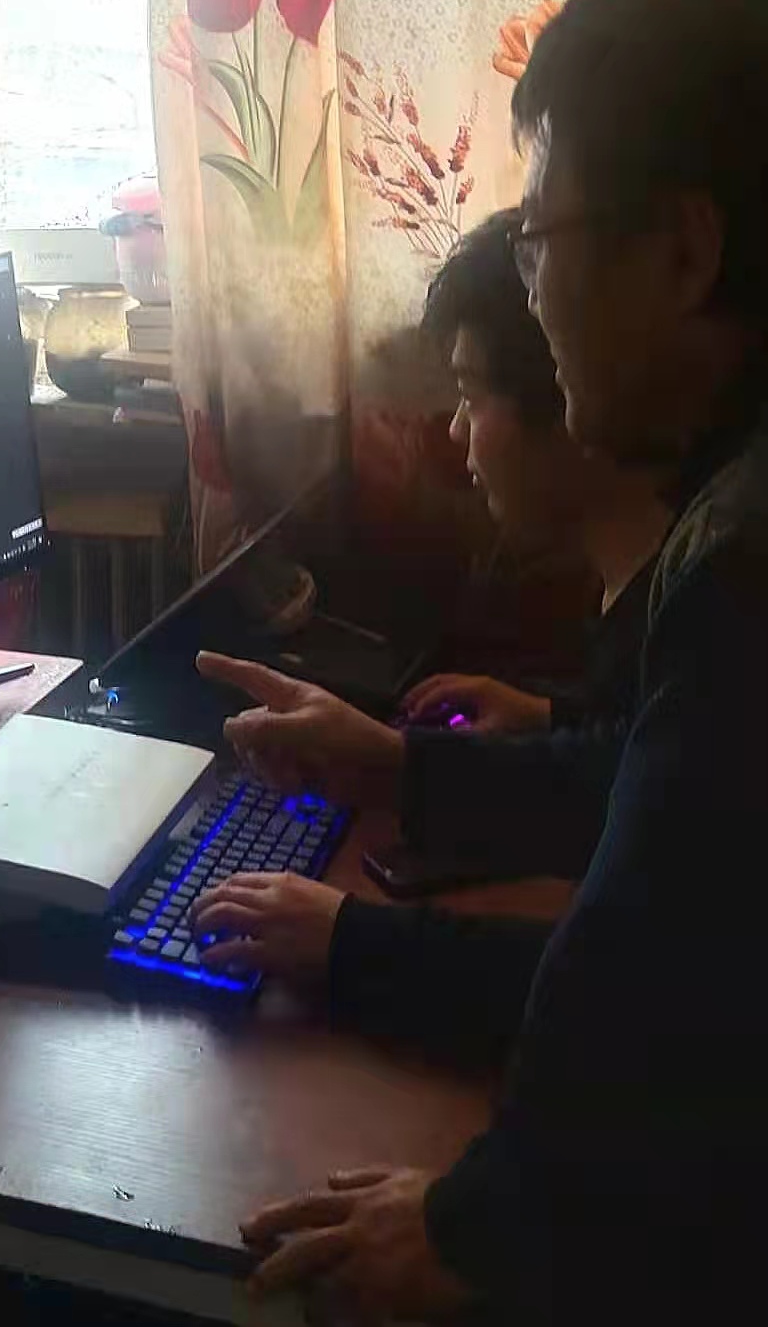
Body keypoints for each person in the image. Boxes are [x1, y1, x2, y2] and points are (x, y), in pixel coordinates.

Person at [224, 0, 768, 1325]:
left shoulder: (748, 568)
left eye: (538, 236)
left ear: (685, 254)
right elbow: (639, 798)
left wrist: (478, 1232)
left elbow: (652, 1000)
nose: (531, 285)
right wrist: (397, 768)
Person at [192, 209, 671, 1004]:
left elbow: (635, 989)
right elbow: (623, 775)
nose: (453, 432)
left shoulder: (719, 614)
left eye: (470, 395)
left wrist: (352, 940)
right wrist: (534, 723)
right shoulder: (665, 584)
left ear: (571, 393)